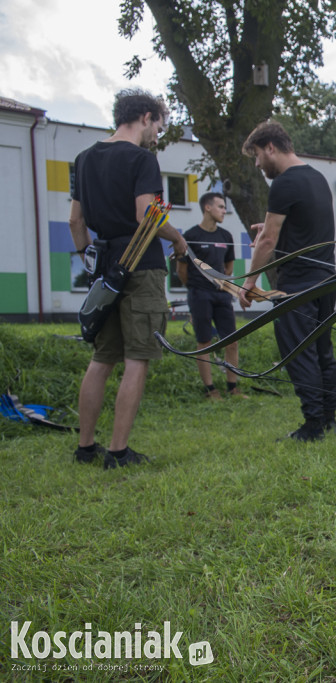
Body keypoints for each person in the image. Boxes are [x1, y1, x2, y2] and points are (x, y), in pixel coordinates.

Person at [68, 88, 188, 468]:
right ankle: (118, 452)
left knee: (102, 358)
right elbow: (146, 215)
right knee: (138, 356)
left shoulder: (84, 159)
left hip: (105, 267)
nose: (157, 135)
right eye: (159, 126)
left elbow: (76, 221)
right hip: (141, 264)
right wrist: (180, 239)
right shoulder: (141, 159)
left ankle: (86, 447)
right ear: (147, 117)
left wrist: (89, 259)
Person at [239, 120, 336, 442]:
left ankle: (312, 426)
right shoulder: (317, 178)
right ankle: (328, 418)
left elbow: (268, 240)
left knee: (299, 353)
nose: (256, 164)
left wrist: (249, 282)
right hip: (327, 280)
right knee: (322, 350)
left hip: (297, 284)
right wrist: (271, 228)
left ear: (271, 147)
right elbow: (302, 225)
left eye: (256, 155)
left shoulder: (283, 183)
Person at [176, 192, 248, 400]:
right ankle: (210, 390)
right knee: (205, 341)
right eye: (220, 207)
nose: (224, 211)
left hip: (222, 295)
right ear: (207, 208)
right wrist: (197, 288)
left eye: (224, 207)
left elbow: (228, 267)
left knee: (232, 341)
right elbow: (182, 271)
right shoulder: (190, 236)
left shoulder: (226, 236)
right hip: (199, 295)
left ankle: (232, 387)